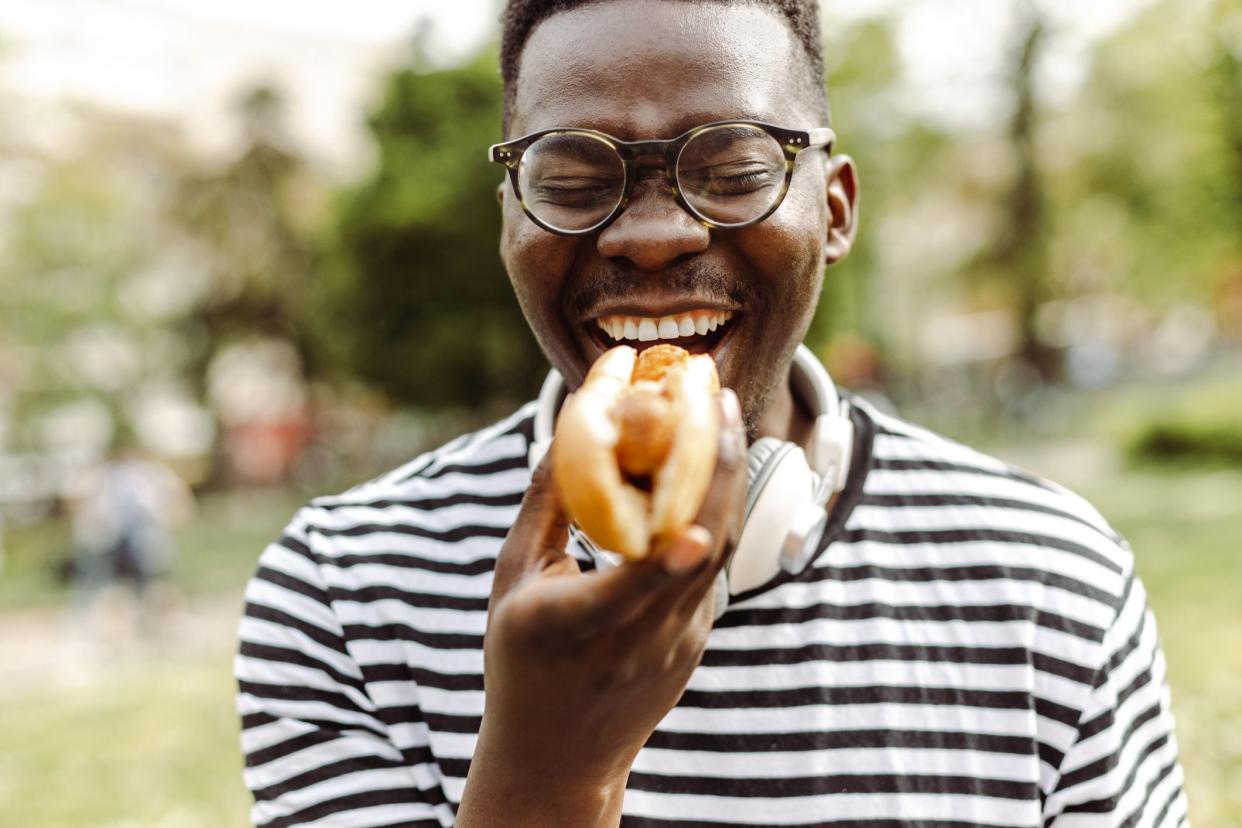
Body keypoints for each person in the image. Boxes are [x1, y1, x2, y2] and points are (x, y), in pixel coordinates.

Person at [235, 1, 1188, 825]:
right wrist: (548, 776)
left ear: (837, 209)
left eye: (734, 170)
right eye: (570, 179)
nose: (653, 237)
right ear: (510, 223)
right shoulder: (340, 593)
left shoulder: (1056, 580)